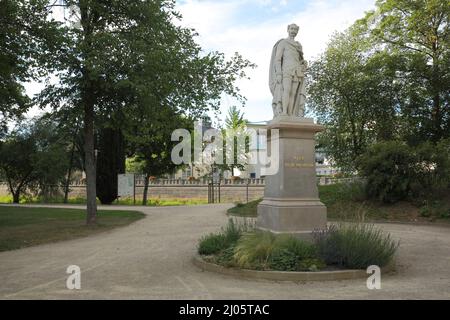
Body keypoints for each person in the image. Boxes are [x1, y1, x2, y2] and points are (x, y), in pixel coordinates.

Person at [269, 23, 307, 117]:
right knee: (286, 90)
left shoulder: (298, 45)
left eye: (295, 30)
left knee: (294, 93)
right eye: (292, 29)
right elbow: (277, 59)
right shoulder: (283, 43)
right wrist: (278, 73)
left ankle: (291, 114)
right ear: (288, 29)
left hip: (297, 71)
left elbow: (300, 60)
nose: (293, 31)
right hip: (286, 70)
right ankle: (284, 112)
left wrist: (304, 64)